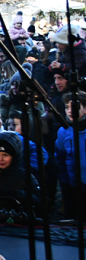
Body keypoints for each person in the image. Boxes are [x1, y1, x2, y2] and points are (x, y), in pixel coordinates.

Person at [55, 91, 86, 219]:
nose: (69, 111)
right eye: (67, 107)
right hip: (72, 184)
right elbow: (60, 158)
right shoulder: (63, 131)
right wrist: (65, 181)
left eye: (74, 106)